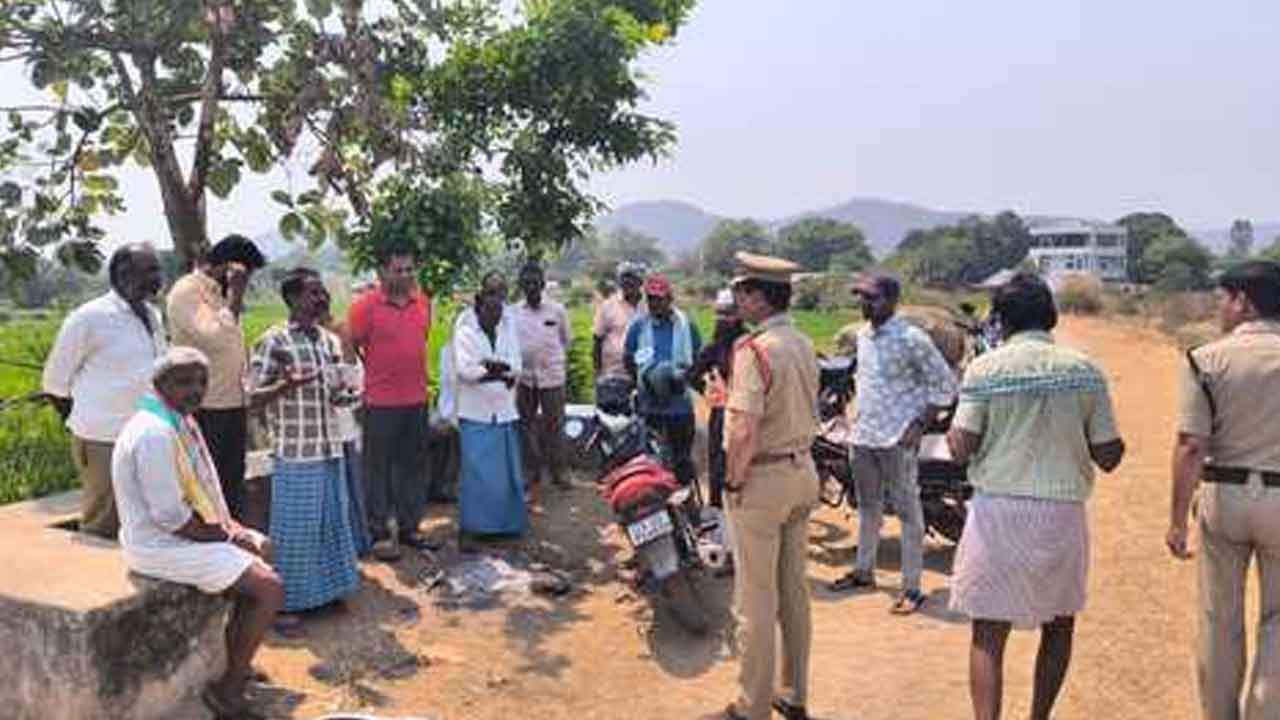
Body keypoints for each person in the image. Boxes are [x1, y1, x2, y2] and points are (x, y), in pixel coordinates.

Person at [946, 272, 1125, 720]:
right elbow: (1108, 455)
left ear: (1000, 321)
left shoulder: (985, 369)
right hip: (1060, 513)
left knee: (988, 632)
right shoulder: (1085, 371)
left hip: (998, 511)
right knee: (1060, 623)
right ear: (1051, 317)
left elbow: (962, 444)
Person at [111, 346, 284, 719]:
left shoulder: (177, 419)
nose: (196, 390)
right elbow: (171, 518)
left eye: (201, 381)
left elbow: (204, 490)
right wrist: (226, 536)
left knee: (263, 548)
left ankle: (234, 660)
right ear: (160, 384)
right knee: (269, 587)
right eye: (184, 381)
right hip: (160, 546)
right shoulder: (154, 433)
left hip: (182, 535)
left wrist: (231, 527)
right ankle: (228, 689)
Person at [702, 252, 818, 720]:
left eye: (742, 293)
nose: (736, 301)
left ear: (758, 296)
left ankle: (751, 707)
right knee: (794, 592)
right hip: (801, 472)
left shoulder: (753, 350)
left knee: (754, 599)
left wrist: (732, 480)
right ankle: (793, 694)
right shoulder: (802, 343)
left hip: (763, 478)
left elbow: (745, 431)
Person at [1167, 260, 1280, 720]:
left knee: (1219, 617)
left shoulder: (1205, 359)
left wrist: (1176, 521)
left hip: (1225, 493)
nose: (1220, 308)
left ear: (1243, 301)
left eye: (1223, 299)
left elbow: (1192, 446)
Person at [830, 272, 957, 615]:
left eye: (872, 298)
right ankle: (863, 572)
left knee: (908, 513)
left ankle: (912, 587)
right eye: (862, 298)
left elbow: (945, 386)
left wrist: (919, 424)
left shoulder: (912, 338)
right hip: (864, 435)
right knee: (869, 507)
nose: (865, 304)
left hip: (897, 438)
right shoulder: (863, 336)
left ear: (892, 300)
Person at [249, 268, 360, 634]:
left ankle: (326, 592)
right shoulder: (273, 341)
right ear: (293, 299)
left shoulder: (328, 342)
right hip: (296, 453)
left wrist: (346, 396)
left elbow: (330, 393)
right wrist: (285, 384)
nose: (322, 298)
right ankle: (283, 605)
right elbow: (251, 399)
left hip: (330, 447)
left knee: (330, 523)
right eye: (313, 293)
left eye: (323, 292)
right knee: (295, 530)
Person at [42, 243, 167, 538]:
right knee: (104, 523)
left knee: (144, 520)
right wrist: (82, 424)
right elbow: (54, 382)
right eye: (151, 270)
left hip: (147, 435)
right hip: (103, 439)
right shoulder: (90, 318)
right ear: (124, 274)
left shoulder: (153, 315)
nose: (158, 276)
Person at [166, 233, 267, 520]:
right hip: (206, 407)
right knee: (206, 484)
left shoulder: (219, 295)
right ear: (229, 267)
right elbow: (217, 337)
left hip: (233, 402)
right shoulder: (187, 292)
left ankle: (230, 543)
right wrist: (236, 293)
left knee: (231, 481)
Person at [348, 250, 432, 561]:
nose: (405, 276)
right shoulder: (365, 307)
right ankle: (379, 531)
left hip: (417, 399)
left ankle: (411, 528)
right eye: (398, 270)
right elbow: (352, 343)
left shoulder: (422, 302)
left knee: (414, 466)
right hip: (380, 401)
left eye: (410, 270)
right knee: (377, 469)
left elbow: (421, 339)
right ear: (383, 273)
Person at [454, 284, 527, 539]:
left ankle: (505, 526)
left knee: (504, 477)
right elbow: (466, 371)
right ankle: (476, 528)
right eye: (490, 309)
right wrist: (497, 372)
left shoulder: (507, 328)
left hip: (504, 411)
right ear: (478, 305)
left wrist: (490, 368)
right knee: (477, 476)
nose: (495, 315)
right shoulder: (465, 332)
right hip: (476, 414)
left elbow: (517, 366)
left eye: (499, 309)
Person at [623, 273, 702, 488]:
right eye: (651, 299)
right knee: (650, 461)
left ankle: (686, 506)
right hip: (649, 406)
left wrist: (679, 378)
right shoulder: (639, 327)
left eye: (659, 298)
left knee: (681, 461)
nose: (655, 303)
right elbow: (628, 358)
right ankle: (657, 509)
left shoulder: (686, 326)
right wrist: (645, 380)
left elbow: (697, 362)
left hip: (679, 406)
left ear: (669, 299)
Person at [513, 261, 572, 498]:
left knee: (554, 425)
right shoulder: (514, 312)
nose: (532, 287)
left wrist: (552, 360)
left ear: (543, 283)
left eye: (535, 282)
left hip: (552, 377)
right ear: (521, 285)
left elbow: (566, 341)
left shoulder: (557, 311)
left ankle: (560, 472)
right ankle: (531, 472)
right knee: (525, 426)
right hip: (525, 379)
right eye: (527, 283)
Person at [690, 288, 748, 508]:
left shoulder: (751, 342)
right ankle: (717, 510)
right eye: (720, 313)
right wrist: (709, 392)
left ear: (739, 315)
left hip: (747, 413)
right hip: (722, 412)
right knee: (717, 463)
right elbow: (693, 375)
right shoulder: (715, 346)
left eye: (729, 313)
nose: (724, 319)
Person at [593, 262, 646, 382]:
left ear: (640, 282)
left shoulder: (649, 307)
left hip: (644, 373)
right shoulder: (607, 306)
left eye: (632, 278)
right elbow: (597, 340)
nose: (627, 282)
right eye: (624, 278)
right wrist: (597, 373)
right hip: (613, 374)